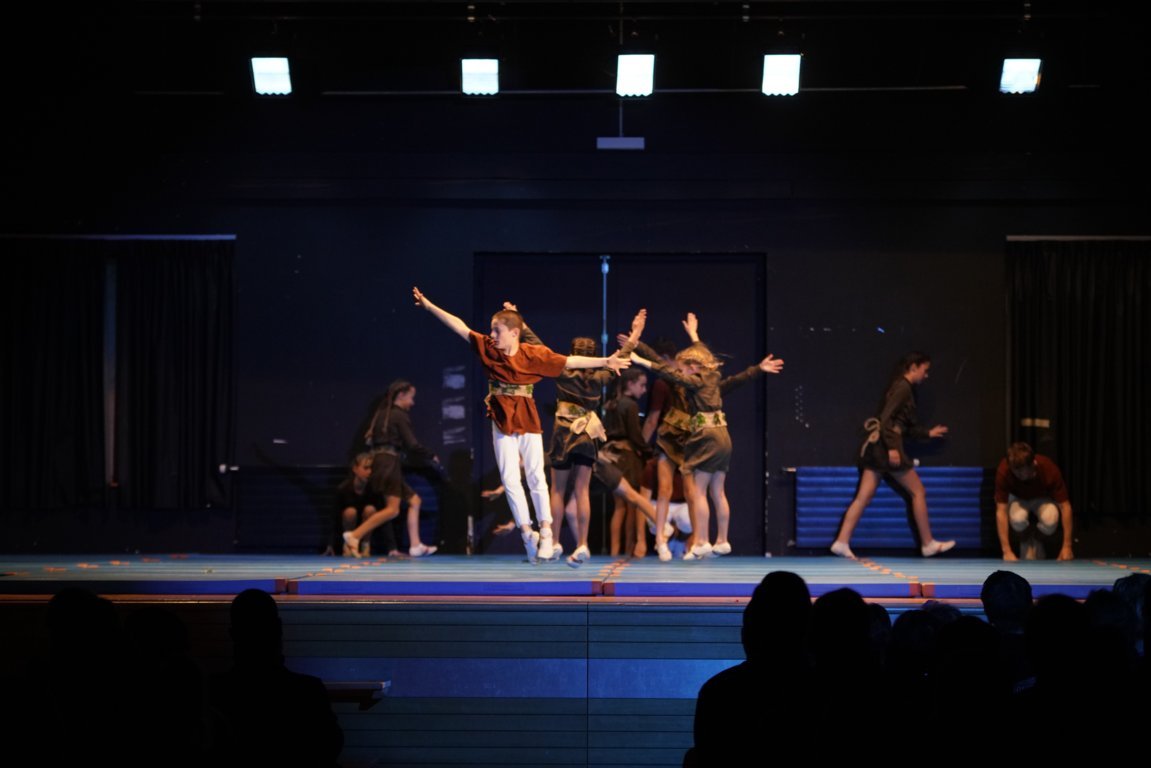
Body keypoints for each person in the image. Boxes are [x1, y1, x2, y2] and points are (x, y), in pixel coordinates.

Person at [412, 286, 631, 561]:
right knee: (509, 477)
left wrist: (606, 360)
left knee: (536, 475)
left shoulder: (532, 355)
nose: (492, 335)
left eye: (497, 331)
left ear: (514, 333)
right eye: (491, 331)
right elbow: (460, 327)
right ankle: (527, 531)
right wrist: (430, 306)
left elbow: (568, 361)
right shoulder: (489, 349)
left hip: (526, 414)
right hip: (502, 417)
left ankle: (546, 531)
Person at [631, 312, 783, 559]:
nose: (681, 371)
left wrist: (640, 359)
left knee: (698, 491)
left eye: (684, 368)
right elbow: (734, 377)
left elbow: (668, 373)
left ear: (693, 367)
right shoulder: (713, 380)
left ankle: (701, 540)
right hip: (723, 435)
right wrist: (694, 334)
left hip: (705, 435)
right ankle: (722, 540)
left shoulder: (696, 382)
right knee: (718, 492)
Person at [829, 351, 955, 559]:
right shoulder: (903, 388)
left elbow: (905, 426)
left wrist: (928, 433)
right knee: (918, 491)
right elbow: (886, 419)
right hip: (886, 449)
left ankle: (841, 541)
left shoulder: (905, 388)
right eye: (925, 370)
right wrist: (892, 448)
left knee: (863, 497)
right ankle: (928, 543)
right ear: (913, 367)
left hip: (878, 449)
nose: (926, 375)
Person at [208, 589, 344, 767]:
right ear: (279, 629)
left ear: (232, 634)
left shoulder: (213, 692)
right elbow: (330, 746)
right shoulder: (308, 690)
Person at [344, 379, 439, 558]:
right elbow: (412, 444)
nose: (412, 402)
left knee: (415, 500)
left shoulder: (382, 414)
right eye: (410, 397)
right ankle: (354, 535)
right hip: (388, 464)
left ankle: (415, 545)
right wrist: (430, 455)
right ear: (401, 395)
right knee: (393, 509)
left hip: (383, 462)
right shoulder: (398, 415)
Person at [994, 441, 1074, 561]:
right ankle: (1026, 540)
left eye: (1021, 470)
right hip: (1017, 497)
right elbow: (1001, 511)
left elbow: (1065, 507)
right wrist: (1006, 551)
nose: (1018, 474)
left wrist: (1067, 546)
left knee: (1050, 519)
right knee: (1017, 519)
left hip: (1042, 497)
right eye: (1015, 470)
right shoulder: (1004, 470)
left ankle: (1036, 538)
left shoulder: (1048, 468)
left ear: (1033, 464)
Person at [333, 452, 387, 557]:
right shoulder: (343, 489)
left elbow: (384, 516)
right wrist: (330, 544)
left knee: (370, 509)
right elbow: (334, 517)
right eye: (365, 468)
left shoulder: (375, 489)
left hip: (366, 528)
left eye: (371, 468)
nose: (369, 472)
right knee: (350, 512)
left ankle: (365, 545)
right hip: (348, 526)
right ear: (355, 469)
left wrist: (392, 548)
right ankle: (348, 544)